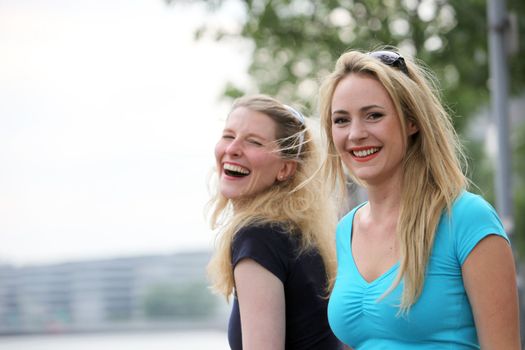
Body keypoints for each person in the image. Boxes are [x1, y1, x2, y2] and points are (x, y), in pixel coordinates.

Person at [318, 49, 521, 349]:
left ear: (412, 121)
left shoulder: (466, 218)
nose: (356, 133)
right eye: (341, 120)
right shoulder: (345, 230)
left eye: (373, 115)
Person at [207, 94, 342, 349]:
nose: (232, 149)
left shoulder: (258, 237)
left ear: (285, 169)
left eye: (254, 142)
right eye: (228, 135)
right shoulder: (298, 235)